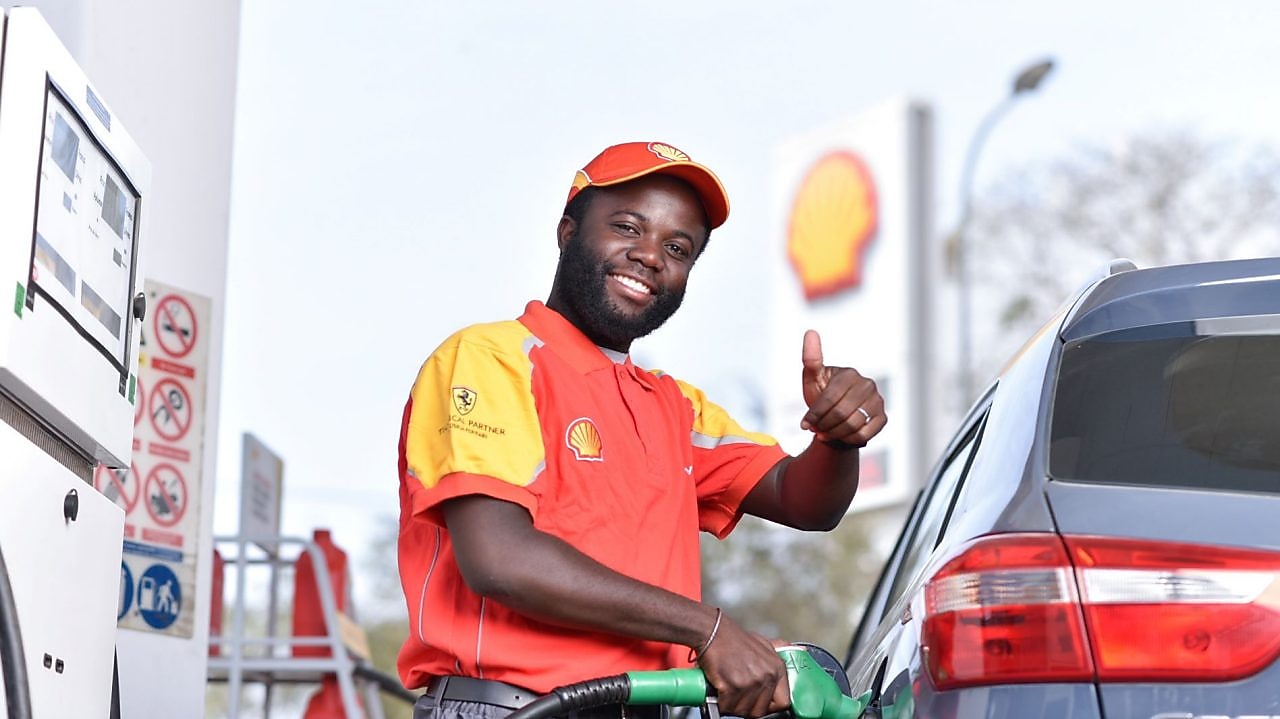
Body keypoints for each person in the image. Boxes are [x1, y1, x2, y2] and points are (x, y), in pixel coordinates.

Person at [397, 141, 885, 719]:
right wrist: (709, 629)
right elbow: (501, 560)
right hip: (514, 709)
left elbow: (806, 501)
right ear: (567, 231)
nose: (651, 256)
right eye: (628, 227)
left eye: (677, 248)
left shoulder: (672, 405)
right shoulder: (490, 359)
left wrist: (836, 436)